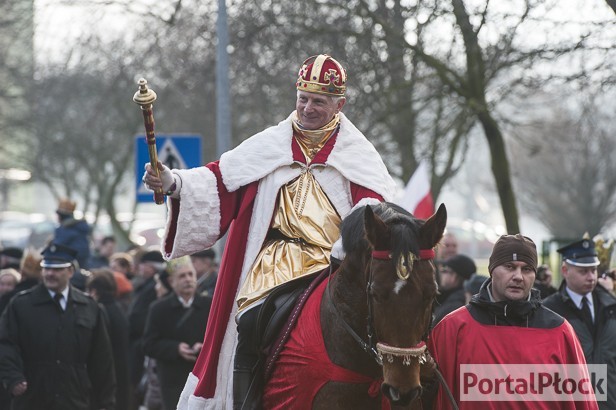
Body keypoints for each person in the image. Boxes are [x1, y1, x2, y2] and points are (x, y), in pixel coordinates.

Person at [142, 54, 397, 408]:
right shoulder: (269, 145)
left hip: (334, 262)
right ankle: (246, 399)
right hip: (276, 262)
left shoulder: (359, 155)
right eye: (303, 99)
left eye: (319, 102)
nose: (308, 108)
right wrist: (172, 182)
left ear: (340, 104)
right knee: (248, 321)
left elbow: (372, 208)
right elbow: (219, 182)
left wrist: (347, 247)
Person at [425, 234, 597, 409]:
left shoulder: (560, 332)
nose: (518, 276)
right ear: (492, 270)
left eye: (527, 269)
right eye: (510, 266)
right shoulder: (452, 328)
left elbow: (583, 403)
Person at [0, 242, 116, 410]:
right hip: (33, 397)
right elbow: (5, 344)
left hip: (74, 397)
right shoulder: (21, 305)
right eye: (46, 269)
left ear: (70, 272)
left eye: (57, 269)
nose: (50, 274)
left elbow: (102, 358)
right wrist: (13, 378)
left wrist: (106, 402)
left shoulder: (88, 306)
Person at [543, 238, 616, 409]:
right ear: (565, 270)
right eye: (583, 271)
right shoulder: (548, 310)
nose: (591, 277)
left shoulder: (610, 306)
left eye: (593, 270)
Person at [143, 256, 212, 410]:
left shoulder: (211, 305)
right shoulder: (158, 309)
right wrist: (176, 348)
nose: (188, 279)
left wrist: (204, 347)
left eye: (190, 274)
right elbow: (148, 344)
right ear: (171, 281)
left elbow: (220, 340)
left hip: (203, 378)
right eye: (182, 276)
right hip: (172, 381)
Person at [87, 269, 130, 410]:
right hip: (121, 374)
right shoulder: (118, 309)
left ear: (94, 291)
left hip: (107, 378)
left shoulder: (100, 311)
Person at [127, 249, 165, 408]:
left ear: (151, 267)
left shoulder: (152, 288)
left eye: (143, 265)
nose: (140, 268)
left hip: (142, 345)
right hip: (137, 343)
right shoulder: (145, 285)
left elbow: (142, 317)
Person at [433, 254, 476, 324]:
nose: (440, 274)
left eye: (444, 270)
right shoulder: (451, 299)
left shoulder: (453, 307)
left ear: (455, 277)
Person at [0, 248, 42, 315]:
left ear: (22, 272)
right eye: (2, 284)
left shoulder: (12, 297)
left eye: (9, 284)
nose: (5, 288)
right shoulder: (47, 295)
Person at [53, 198, 92, 269]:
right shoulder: (81, 228)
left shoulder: (64, 230)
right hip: (83, 265)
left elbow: (56, 248)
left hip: (68, 266)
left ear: (61, 216)